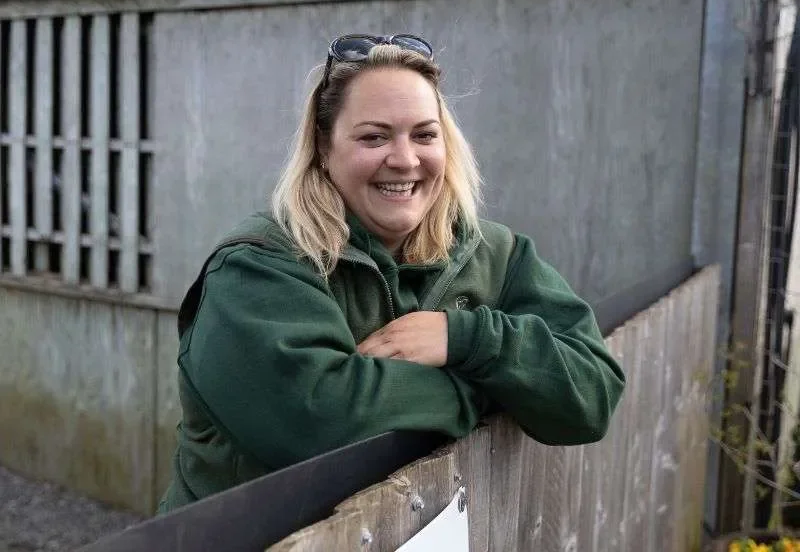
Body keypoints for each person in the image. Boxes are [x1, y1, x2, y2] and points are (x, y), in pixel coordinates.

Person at [158, 34, 626, 512]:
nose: (404, 159)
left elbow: (591, 398)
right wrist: (495, 389)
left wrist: (466, 339)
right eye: (374, 137)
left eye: (424, 134)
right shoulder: (257, 267)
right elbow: (325, 425)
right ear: (324, 145)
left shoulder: (495, 254)